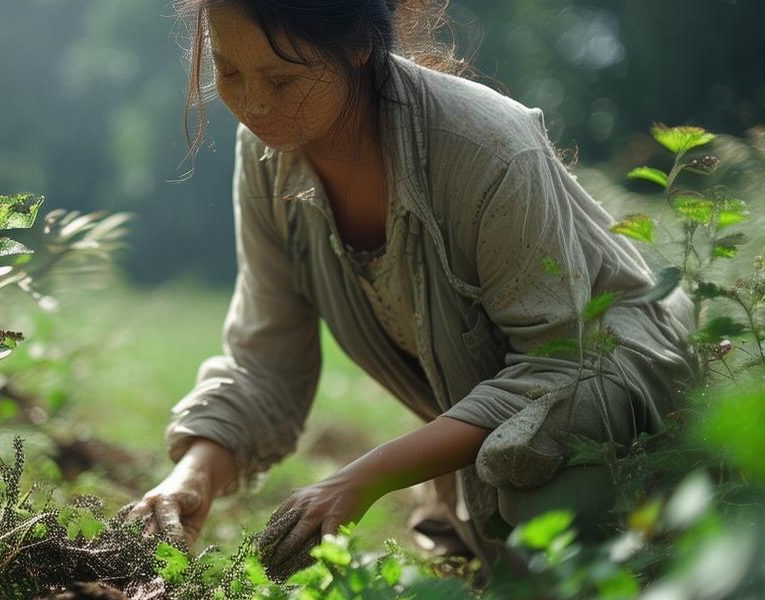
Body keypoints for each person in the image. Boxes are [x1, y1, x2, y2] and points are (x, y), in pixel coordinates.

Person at [125, 0, 697, 578]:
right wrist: (191, 478)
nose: (252, 104)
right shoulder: (267, 154)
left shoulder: (488, 146)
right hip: (495, 416)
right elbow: (264, 364)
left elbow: (560, 367)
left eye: (283, 78)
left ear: (358, 46)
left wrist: (363, 478)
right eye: (228, 72)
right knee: (502, 524)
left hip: (603, 381)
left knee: (540, 522)